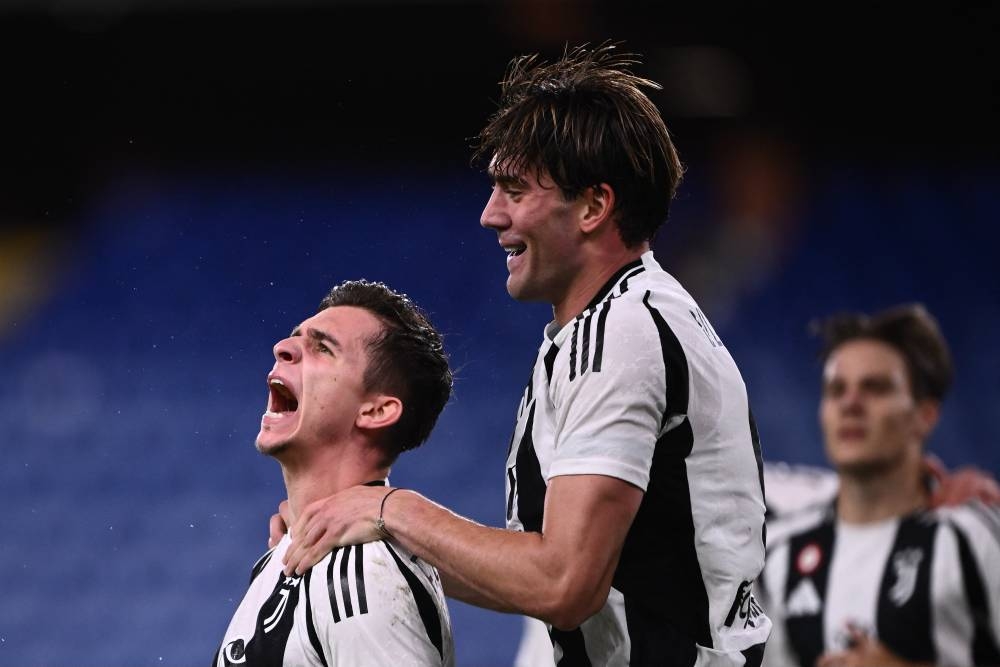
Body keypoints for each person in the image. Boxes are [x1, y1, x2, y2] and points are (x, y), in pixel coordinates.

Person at [272, 44, 770, 666]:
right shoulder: (598, 329)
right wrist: (355, 526)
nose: (490, 215)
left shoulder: (624, 334)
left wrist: (387, 507)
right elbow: (534, 579)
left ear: (593, 205)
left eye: (515, 190)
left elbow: (564, 584)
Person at [213, 280, 455, 666]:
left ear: (376, 411)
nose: (282, 348)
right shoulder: (285, 557)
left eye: (322, 348)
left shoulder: (364, 576)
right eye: (296, 338)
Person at [760, 304, 1000, 667]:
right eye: (836, 390)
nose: (851, 404)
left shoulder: (975, 537)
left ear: (924, 415)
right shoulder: (779, 554)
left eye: (875, 388)